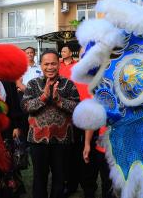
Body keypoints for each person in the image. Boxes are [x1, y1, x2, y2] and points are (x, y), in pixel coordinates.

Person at [21, 50, 80, 198]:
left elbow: (77, 108)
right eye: (46, 64)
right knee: (39, 179)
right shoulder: (32, 84)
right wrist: (43, 97)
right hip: (37, 140)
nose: (50, 67)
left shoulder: (68, 84)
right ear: (41, 65)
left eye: (53, 63)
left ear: (59, 64)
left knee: (60, 178)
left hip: (62, 141)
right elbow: (25, 106)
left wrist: (59, 100)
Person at [58, 46, 83, 197]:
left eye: (65, 51)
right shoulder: (57, 66)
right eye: (61, 51)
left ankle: (76, 181)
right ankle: (66, 182)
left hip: (78, 110)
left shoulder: (78, 66)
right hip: (62, 113)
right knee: (64, 151)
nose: (63, 53)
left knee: (76, 150)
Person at [82, 126, 115, 198]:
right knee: (107, 184)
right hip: (103, 148)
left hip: (120, 148)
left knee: (111, 184)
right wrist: (87, 144)